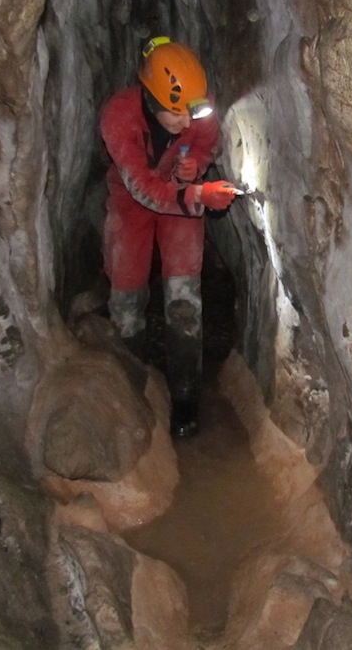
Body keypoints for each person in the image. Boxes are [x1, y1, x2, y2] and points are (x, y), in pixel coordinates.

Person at [99, 36, 239, 439]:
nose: (186, 123)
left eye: (192, 113)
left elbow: (206, 143)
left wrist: (196, 165)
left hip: (181, 203)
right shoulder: (119, 116)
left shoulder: (198, 107)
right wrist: (197, 194)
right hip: (132, 202)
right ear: (151, 99)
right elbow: (141, 187)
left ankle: (184, 401)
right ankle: (134, 394)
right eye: (175, 115)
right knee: (126, 304)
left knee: (184, 302)